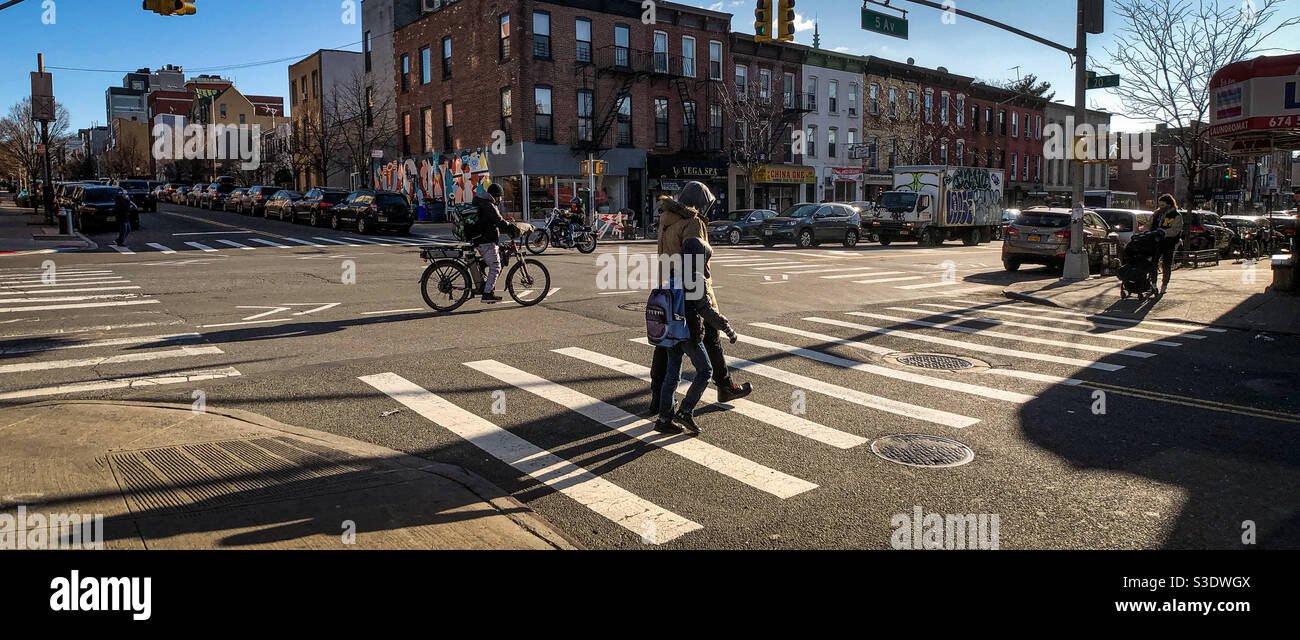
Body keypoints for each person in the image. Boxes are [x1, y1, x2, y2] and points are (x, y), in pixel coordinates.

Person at [647, 181, 752, 416]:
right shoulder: (693, 222)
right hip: (691, 291)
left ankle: (657, 397)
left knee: (665, 345)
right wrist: (701, 300)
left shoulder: (666, 220)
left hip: (668, 290)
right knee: (711, 339)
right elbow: (694, 264)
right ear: (700, 204)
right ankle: (724, 386)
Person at [655, 237, 738, 435]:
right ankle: (685, 411)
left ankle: (664, 418)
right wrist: (728, 329)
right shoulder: (695, 279)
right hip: (688, 333)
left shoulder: (674, 275)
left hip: (671, 333)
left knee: (672, 375)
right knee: (706, 371)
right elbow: (707, 311)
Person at [466, 182, 512, 303]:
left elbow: (493, 221)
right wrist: (511, 227)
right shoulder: (488, 205)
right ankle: (487, 293)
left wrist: (505, 223)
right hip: (486, 240)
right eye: (500, 197)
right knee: (496, 266)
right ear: (496, 195)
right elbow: (498, 221)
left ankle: (481, 273)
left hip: (481, 238)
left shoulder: (482, 202)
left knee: (494, 257)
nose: (500, 199)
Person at [1150, 194, 1183, 295]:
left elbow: (1175, 230)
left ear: (1169, 204)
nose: (1161, 207)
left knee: (1166, 264)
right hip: (1156, 241)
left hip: (1169, 242)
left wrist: (1164, 232)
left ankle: (1164, 285)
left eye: (1163, 205)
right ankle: (1153, 283)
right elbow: (1149, 224)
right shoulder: (1156, 214)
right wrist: (1148, 232)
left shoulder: (1176, 216)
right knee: (1153, 262)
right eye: (1160, 205)